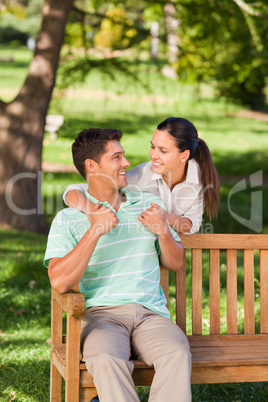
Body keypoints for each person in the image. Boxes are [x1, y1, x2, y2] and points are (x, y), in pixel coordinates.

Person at [44, 128, 192, 402]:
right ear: (92, 166)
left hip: (151, 315)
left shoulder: (148, 204)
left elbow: (175, 262)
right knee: (105, 358)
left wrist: (163, 231)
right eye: (117, 157)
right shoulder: (68, 219)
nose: (127, 163)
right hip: (102, 317)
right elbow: (60, 281)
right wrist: (94, 231)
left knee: (177, 353)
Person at [63, 117, 220, 234]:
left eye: (163, 151)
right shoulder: (140, 176)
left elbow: (192, 224)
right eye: (152, 147)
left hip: (167, 249)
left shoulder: (199, 177)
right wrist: (91, 210)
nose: (153, 155)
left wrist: (164, 218)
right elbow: (79, 189)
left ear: (184, 156)